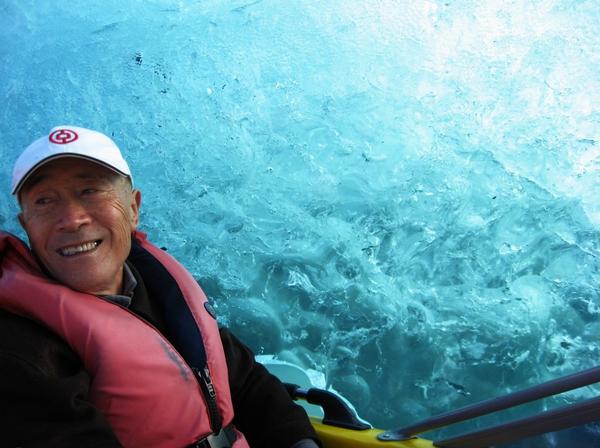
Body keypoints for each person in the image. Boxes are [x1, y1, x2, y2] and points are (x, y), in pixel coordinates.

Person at [0, 125, 321, 448]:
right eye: (44, 201)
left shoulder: (157, 286)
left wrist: (298, 441)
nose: (71, 219)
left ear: (133, 209)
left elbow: (246, 381)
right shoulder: (20, 348)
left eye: (90, 191)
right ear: (27, 226)